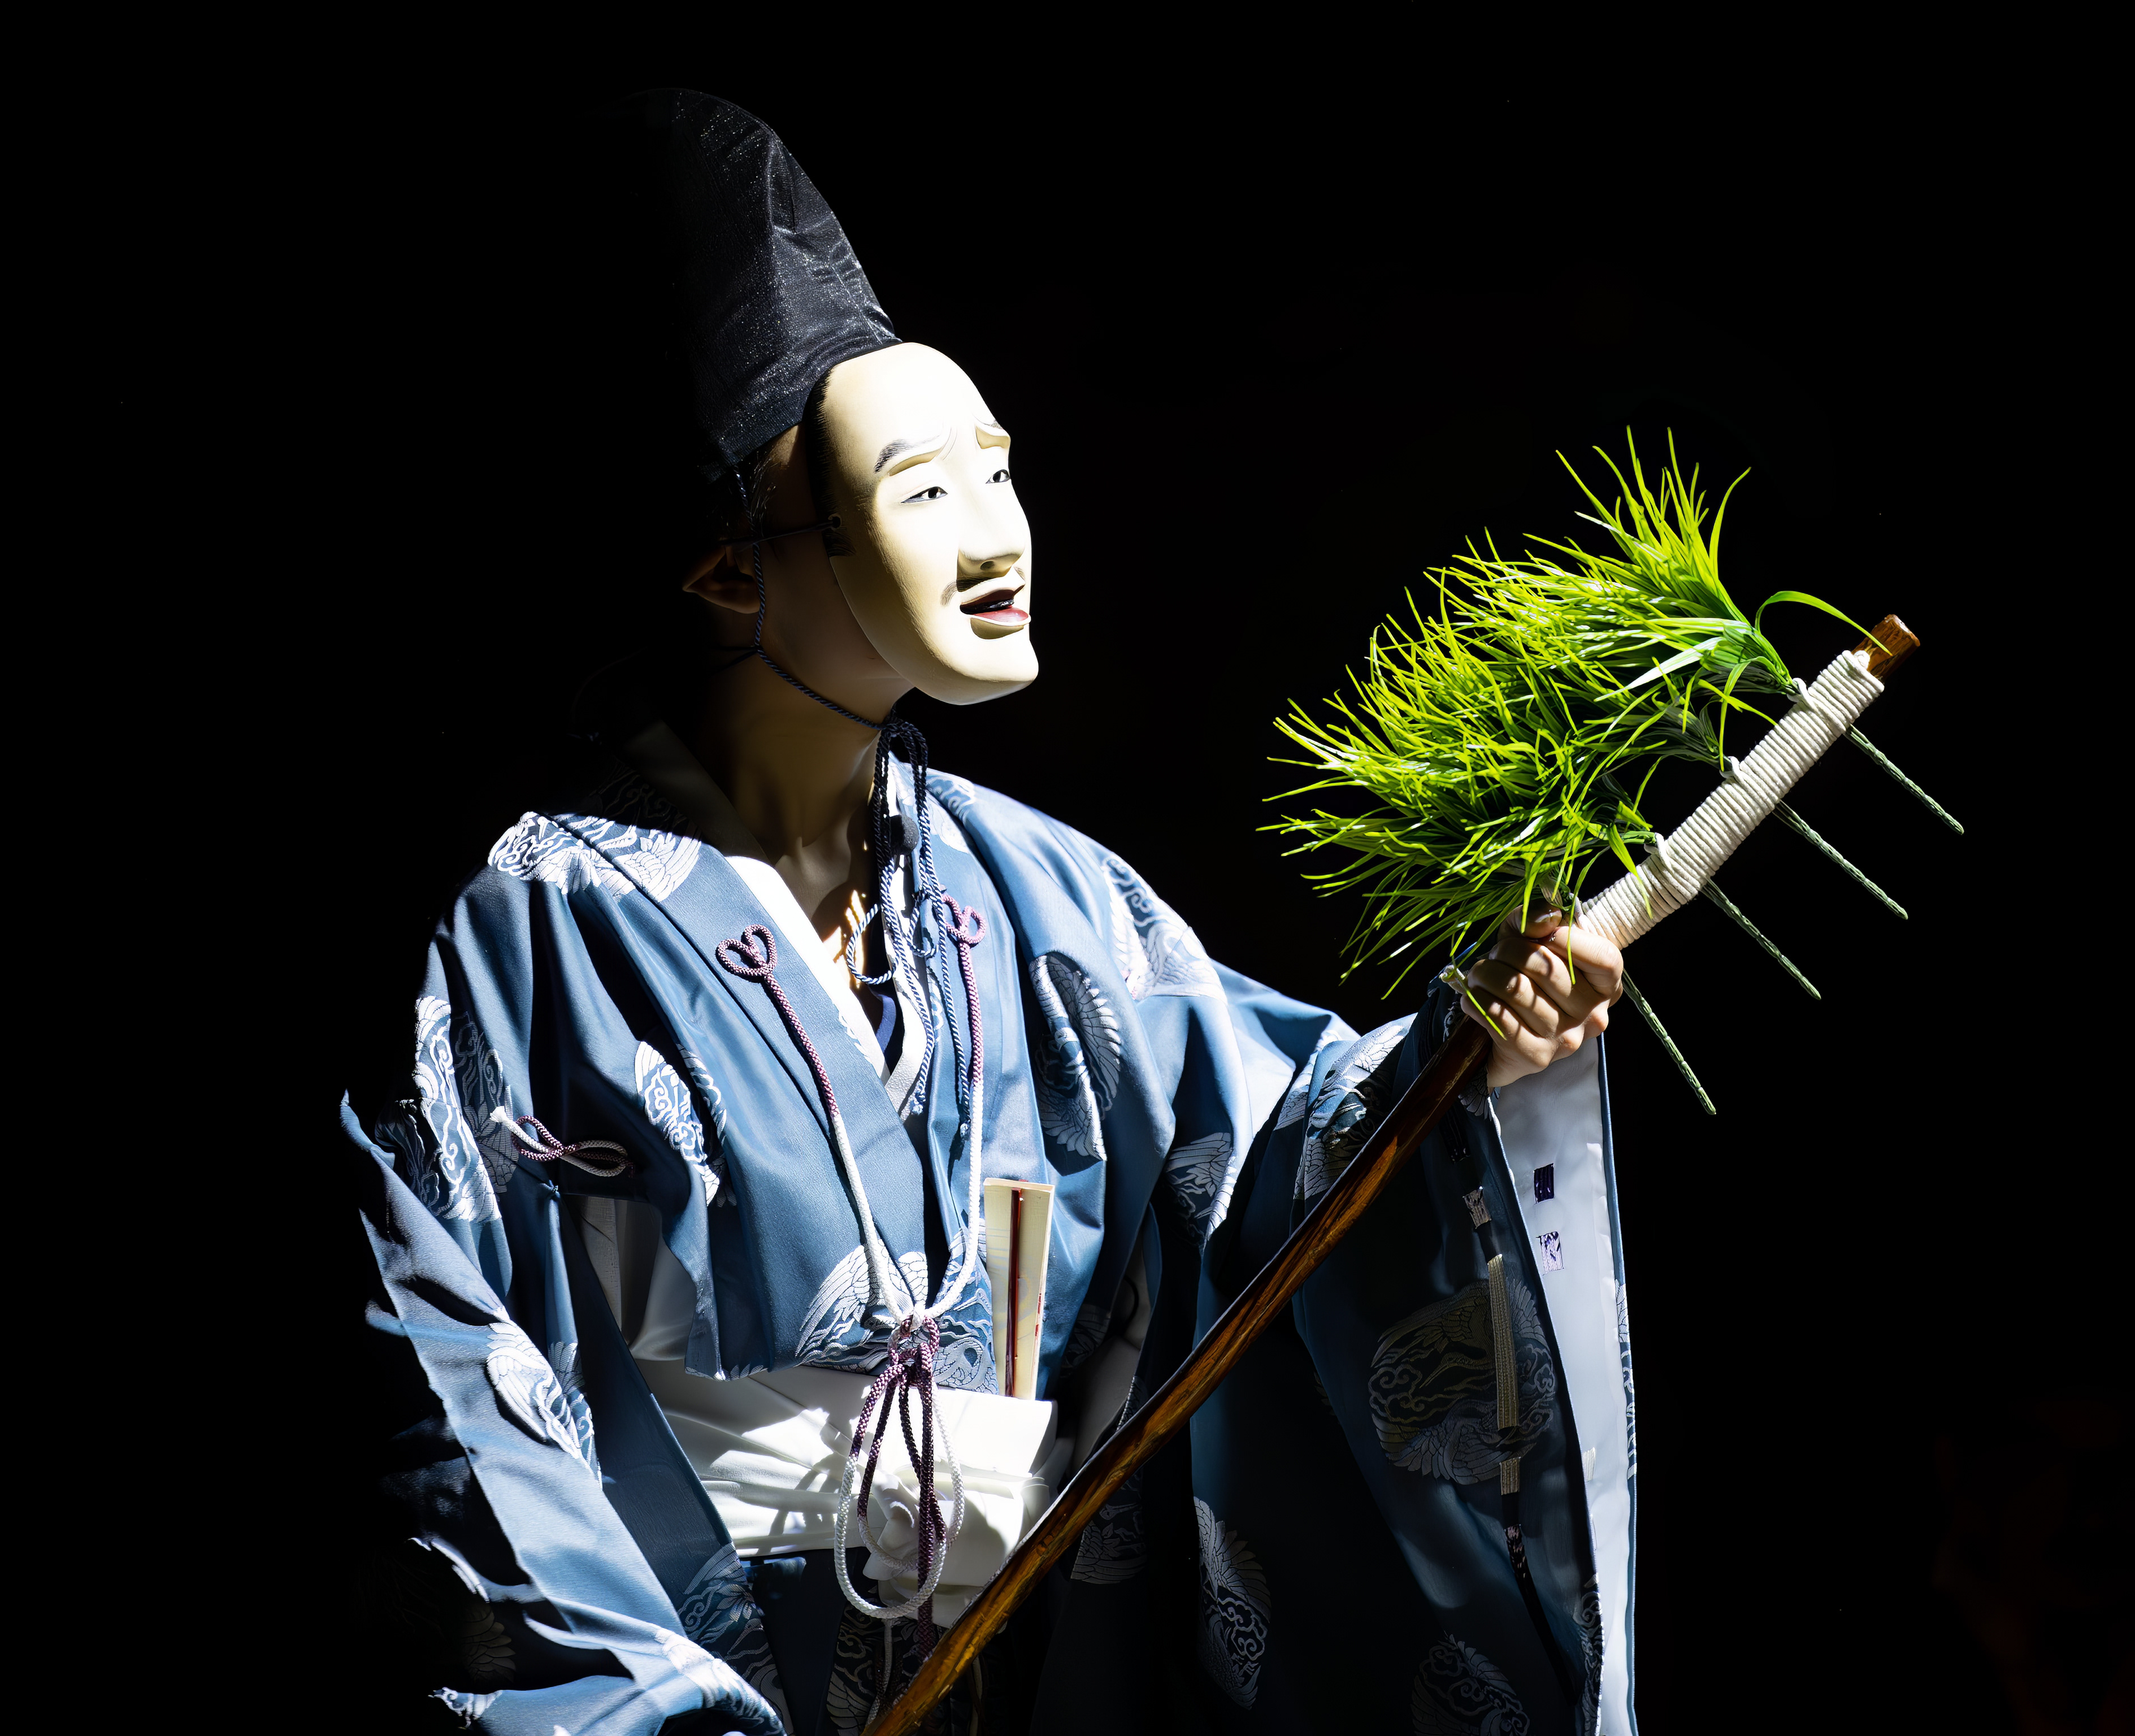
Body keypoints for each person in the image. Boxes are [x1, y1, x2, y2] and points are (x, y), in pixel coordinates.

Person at [350, 89, 1633, 1735]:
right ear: (731, 568)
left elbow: (1261, 1166)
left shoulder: (1039, 896)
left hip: (1034, 1680)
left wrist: (1465, 1063)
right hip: (714, 1680)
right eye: (920, 490)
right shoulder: (527, 936)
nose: (999, 535)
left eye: (998, 470)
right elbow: (458, 1389)